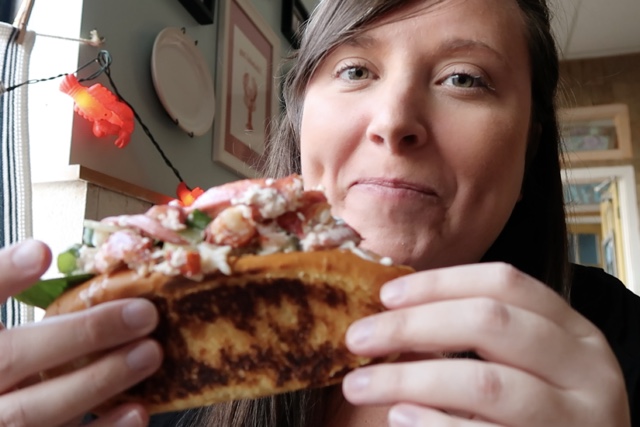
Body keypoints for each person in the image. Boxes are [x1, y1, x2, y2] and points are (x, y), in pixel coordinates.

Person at [0, 0, 638, 426]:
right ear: (302, 121)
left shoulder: (617, 345)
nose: (393, 122)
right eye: (356, 69)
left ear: (528, 143)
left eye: (463, 78)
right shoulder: (135, 362)